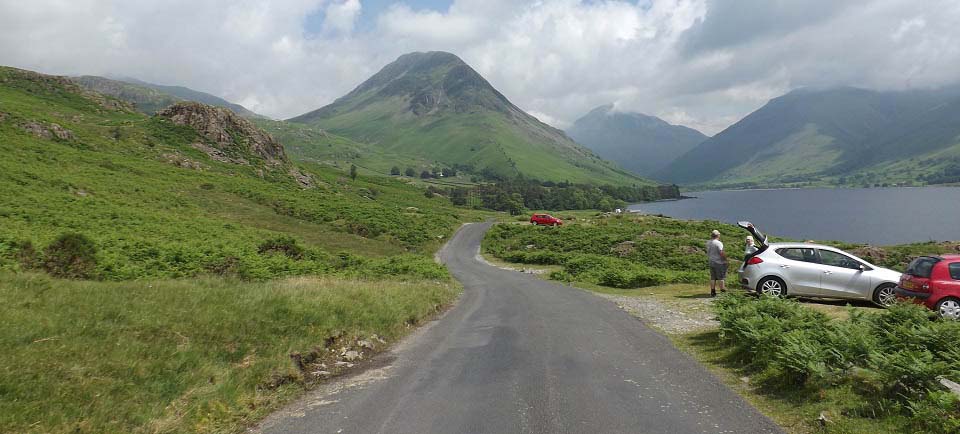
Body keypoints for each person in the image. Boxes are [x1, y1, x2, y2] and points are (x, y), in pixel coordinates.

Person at [706, 229, 727, 297]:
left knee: (713, 277)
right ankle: (722, 290)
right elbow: (721, 252)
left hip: (711, 261)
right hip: (718, 262)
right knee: (721, 277)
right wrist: (725, 260)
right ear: (718, 235)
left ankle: (712, 291)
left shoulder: (708, 242)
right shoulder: (718, 243)